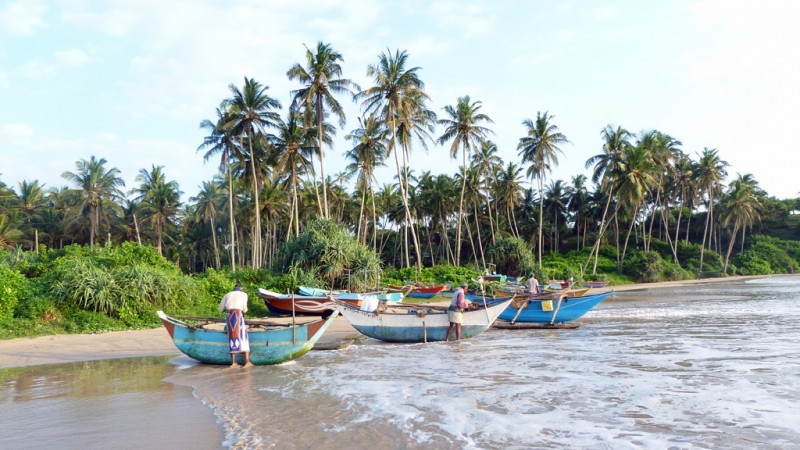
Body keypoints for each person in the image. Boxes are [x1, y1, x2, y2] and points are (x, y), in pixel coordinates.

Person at [218, 283, 251, 366]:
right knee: (243, 336)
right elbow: (245, 309)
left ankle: (234, 362)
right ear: (241, 289)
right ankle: (247, 362)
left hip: (230, 316)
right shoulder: (244, 294)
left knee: (232, 337)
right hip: (238, 315)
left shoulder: (227, 295)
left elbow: (221, 309)